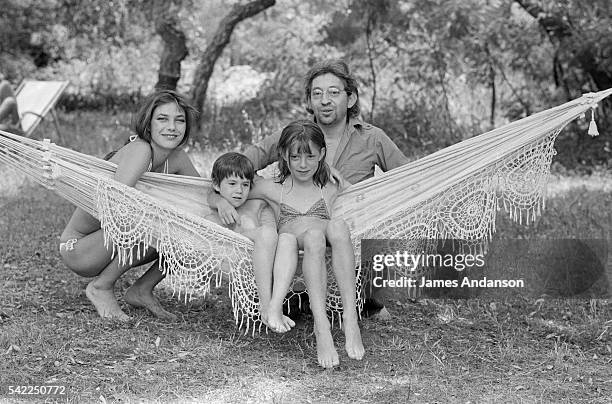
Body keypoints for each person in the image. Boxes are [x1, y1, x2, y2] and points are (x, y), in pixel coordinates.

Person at [212, 59, 410, 317]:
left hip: (352, 231)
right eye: (317, 94)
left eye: (333, 92)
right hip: (297, 231)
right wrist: (217, 198)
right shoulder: (294, 135)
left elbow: (407, 181)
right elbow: (234, 168)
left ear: (350, 99)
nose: (325, 100)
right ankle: (295, 293)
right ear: (309, 101)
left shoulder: (373, 138)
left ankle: (362, 294)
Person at [59, 89, 200, 321]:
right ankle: (101, 287)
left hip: (114, 241)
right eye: (162, 119)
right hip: (79, 249)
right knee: (157, 220)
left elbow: (201, 198)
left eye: (180, 120)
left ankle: (141, 290)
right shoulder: (141, 149)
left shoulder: (178, 158)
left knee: (192, 232)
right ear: (148, 123)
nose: (172, 127)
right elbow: (119, 204)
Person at [247, 120, 365, 368]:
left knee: (338, 226)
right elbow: (224, 182)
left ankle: (350, 317)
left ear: (322, 154)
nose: (303, 165)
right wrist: (221, 203)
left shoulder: (330, 185)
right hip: (300, 244)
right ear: (283, 155)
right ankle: (321, 325)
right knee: (312, 237)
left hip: (329, 242)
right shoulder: (272, 188)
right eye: (295, 157)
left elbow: (368, 198)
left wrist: (336, 172)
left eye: (311, 156)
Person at [205, 152, 289, 332]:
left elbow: (270, 231)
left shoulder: (255, 204)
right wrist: (219, 202)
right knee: (265, 233)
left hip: (258, 252)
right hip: (226, 248)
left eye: (245, 185)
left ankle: (267, 306)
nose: (239, 190)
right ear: (216, 186)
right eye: (232, 184)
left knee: (269, 234)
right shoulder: (214, 210)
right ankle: (267, 307)